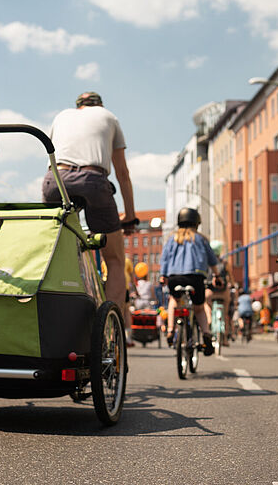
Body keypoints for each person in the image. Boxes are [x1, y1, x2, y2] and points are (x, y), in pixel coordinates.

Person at [43, 91, 136, 312]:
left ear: (78, 106)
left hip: (56, 181)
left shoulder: (61, 116)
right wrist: (130, 216)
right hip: (93, 180)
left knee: (52, 252)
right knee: (115, 261)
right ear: (99, 105)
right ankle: (111, 323)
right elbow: (122, 173)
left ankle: (56, 308)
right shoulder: (108, 116)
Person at [159, 207, 220, 355]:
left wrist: (163, 275)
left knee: (174, 300)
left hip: (174, 277)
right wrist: (217, 276)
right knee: (199, 308)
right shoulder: (200, 239)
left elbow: (165, 258)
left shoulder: (172, 239)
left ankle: (170, 330)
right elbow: (212, 260)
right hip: (195, 277)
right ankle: (206, 334)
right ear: (196, 223)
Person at [204, 240, 232, 346]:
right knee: (225, 313)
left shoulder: (207, 263)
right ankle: (225, 339)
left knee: (206, 304)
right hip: (223, 291)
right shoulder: (225, 263)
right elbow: (231, 278)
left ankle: (209, 318)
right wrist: (233, 285)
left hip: (210, 292)